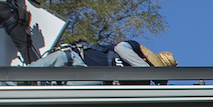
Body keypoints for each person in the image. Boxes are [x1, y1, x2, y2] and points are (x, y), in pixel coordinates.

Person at [29, 40, 176, 84]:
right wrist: (143, 68)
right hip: (75, 56)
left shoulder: (141, 82)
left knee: (63, 88)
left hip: (90, 79)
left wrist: (144, 74)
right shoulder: (135, 47)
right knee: (30, 71)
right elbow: (121, 48)